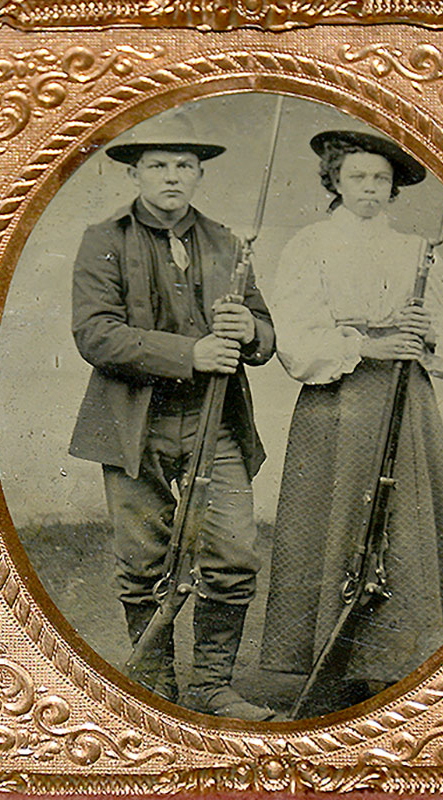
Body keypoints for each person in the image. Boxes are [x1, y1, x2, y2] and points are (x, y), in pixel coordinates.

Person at [260, 129, 443, 715]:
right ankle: (335, 667)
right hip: (338, 401)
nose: (369, 188)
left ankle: (399, 661)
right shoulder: (310, 245)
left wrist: (426, 332)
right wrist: (367, 345)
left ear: (393, 189)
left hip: (405, 403)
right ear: (333, 179)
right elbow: (297, 338)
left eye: (380, 179)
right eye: (357, 177)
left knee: (404, 520)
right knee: (335, 517)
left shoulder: (418, 250)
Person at [69, 119, 275, 721]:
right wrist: (189, 354)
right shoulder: (101, 238)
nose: (171, 177)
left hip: (217, 421)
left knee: (233, 553)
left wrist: (250, 333)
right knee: (142, 562)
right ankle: (157, 689)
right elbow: (95, 333)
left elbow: (263, 334)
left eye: (183, 165)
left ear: (199, 174)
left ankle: (213, 687)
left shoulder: (229, 242)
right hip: (133, 421)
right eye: (159, 166)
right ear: (135, 174)